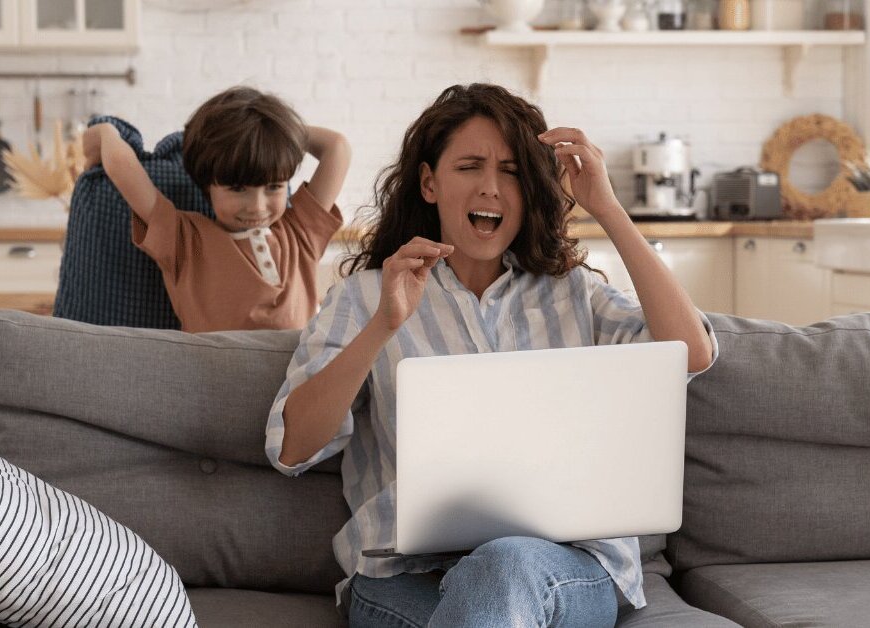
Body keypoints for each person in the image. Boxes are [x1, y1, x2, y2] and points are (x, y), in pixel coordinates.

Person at [264, 83, 718, 627]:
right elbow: (292, 447)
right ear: (429, 183)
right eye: (470, 167)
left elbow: (689, 354)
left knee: (503, 567)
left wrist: (608, 208)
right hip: (405, 578)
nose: (491, 188)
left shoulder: (575, 294)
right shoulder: (365, 298)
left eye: (511, 171)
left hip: (559, 566)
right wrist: (384, 326)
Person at [82, 86, 351, 332]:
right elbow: (120, 164)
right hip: (215, 381)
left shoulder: (300, 234)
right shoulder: (186, 243)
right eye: (237, 189)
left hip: (302, 381)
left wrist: (272, 132)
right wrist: (106, 132)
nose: (258, 207)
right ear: (208, 185)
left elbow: (337, 148)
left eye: (274, 187)